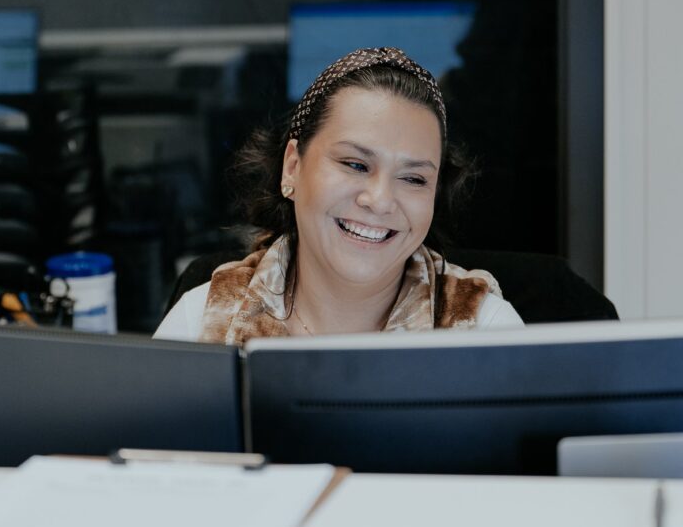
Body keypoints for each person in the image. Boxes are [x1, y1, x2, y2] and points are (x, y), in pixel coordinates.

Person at [154, 46, 523, 343]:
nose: (379, 200)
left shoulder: (483, 328)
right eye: (355, 164)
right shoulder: (201, 323)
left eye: (413, 179)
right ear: (292, 168)